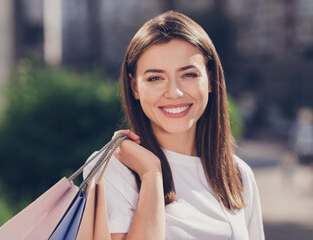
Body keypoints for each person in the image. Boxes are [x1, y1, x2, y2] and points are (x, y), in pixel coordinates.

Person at [83, 11, 264, 240]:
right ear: (135, 87)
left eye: (188, 74)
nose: (174, 93)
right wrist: (151, 174)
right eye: (155, 78)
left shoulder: (237, 174)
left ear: (209, 79)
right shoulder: (111, 170)